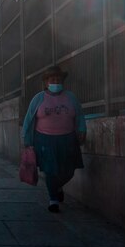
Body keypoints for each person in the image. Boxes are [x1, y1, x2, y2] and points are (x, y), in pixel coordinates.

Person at [21, 65, 86, 213]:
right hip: (44, 140)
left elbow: (80, 115)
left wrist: (82, 130)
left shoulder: (71, 97)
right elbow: (29, 119)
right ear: (46, 82)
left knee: (68, 170)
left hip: (68, 139)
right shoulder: (38, 98)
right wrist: (26, 139)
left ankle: (57, 186)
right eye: (52, 80)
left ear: (62, 81)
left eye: (58, 79)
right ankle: (53, 200)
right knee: (50, 170)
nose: (55, 82)